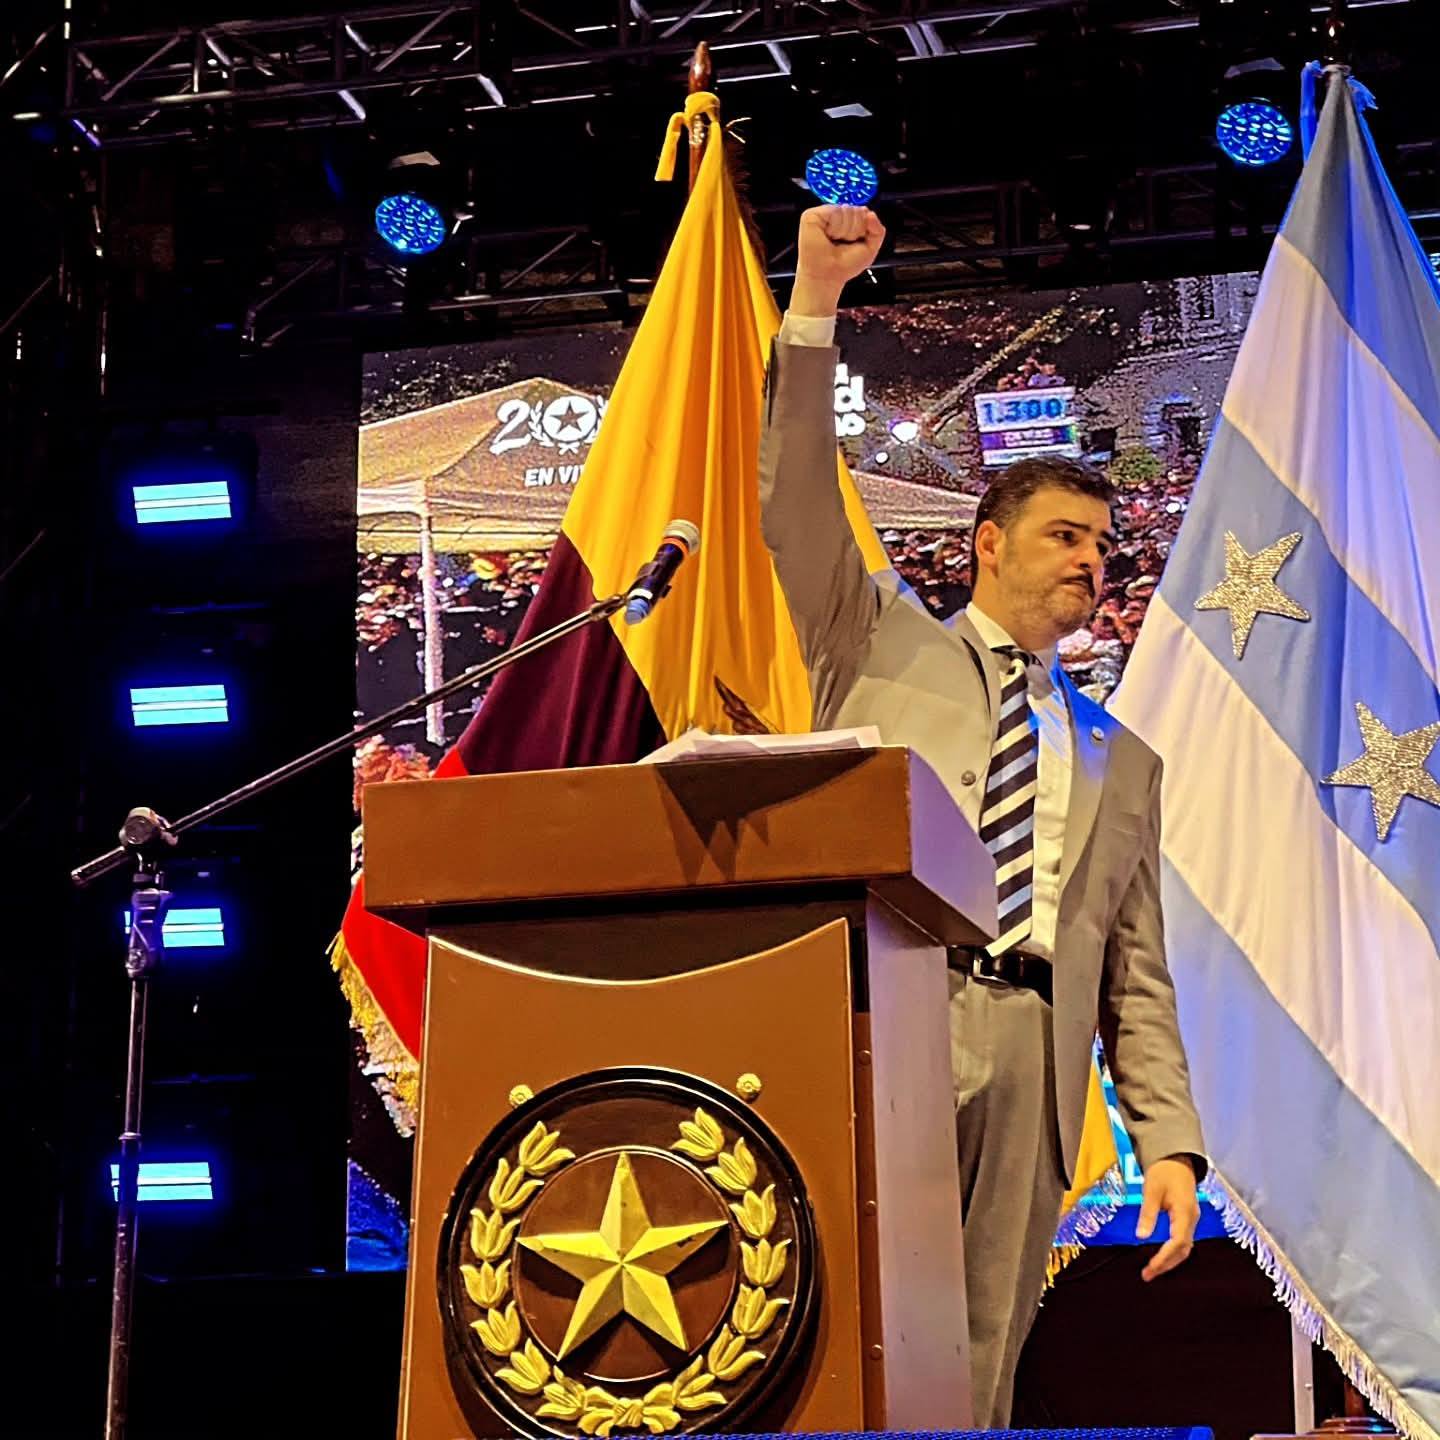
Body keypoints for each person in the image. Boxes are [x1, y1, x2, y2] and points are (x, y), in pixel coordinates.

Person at [759, 203, 1207, 1428]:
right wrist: (813, 306)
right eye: (1064, 537)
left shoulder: (1122, 756)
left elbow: (1136, 970)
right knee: (839, 1320)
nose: (1091, 562)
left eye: (1103, 546)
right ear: (988, 544)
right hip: (883, 1009)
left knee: (974, 1356)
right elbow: (795, 497)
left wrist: (1169, 1140)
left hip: (1032, 1053)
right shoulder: (875, 633)